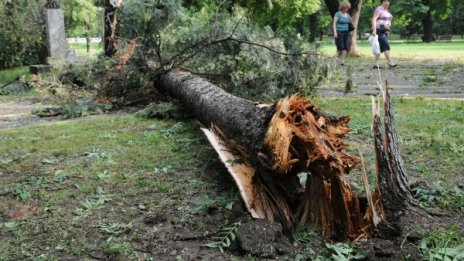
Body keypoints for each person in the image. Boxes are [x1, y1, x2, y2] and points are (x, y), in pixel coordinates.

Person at [371, 0, 397, 69]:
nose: (387, 3)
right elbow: (374, 19)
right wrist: (374, 30)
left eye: (388, 1)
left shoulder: (386, 11)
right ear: (382, 2)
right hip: (378, 30)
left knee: (379, 47)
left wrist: (387, 31)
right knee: (385, 45)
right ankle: (390, 62)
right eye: (385, 1)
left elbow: (388, 22)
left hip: (384, 31)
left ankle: (375, 63)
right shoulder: (379, 9)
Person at [332, 1, 352, 66]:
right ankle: (334, 60)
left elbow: (350, 23)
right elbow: (334, 23)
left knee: (346, 47)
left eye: (347, 8)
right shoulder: (337, 14)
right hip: (339, 32)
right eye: (345, 8)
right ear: (342, 7)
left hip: (346, 32)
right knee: (340, 47)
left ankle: (342, 61)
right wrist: (335, 32)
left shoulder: (348, 15)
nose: (346, 9)